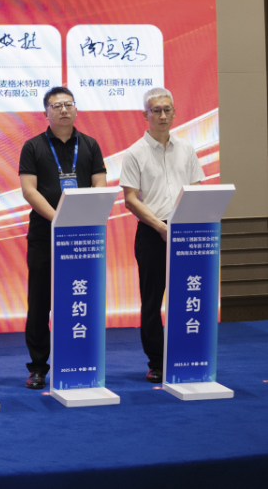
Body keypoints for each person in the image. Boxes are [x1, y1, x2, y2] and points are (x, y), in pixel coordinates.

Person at [18, 86, 107, 390]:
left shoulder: (90, 145)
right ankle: (38, 367)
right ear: (46, 113)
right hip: (45, 237)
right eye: (57, 106)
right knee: (39, 304)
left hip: (82, 238)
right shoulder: (33, 146)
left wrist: (79, 220)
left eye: (68, 104)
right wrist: (59, 219)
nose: (64, 110)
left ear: (76, 109)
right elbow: (29, 190)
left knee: (80, 299)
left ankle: (78, 360)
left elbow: (99, 185)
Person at [120, 87, 203, 384]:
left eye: (167, 109)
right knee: (152, 300)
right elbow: (130, 199)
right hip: (152, 232)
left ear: (174, 112)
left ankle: (186, 353)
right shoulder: (134, 152)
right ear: (145, 115)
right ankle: (156, 361)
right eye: (156, 110)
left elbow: (196, 189)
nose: (163, 115)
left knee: (188, 296)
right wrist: (159, 226)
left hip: (185, 231)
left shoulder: (187, 149)